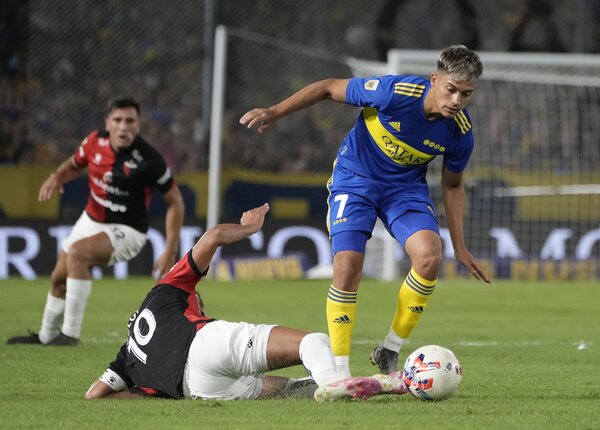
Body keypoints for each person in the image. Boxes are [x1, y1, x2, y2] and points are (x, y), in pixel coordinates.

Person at [240, 45, 491, 377]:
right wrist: (275, 111)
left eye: (466, 94)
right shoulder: (394, 93)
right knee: (347, 266)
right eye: (451, 89)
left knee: (430, 257)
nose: (457, 100)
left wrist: (459, 246)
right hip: (355, 180)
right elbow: (329, 87)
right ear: (434, 80)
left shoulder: (460, 132)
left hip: (404, 191)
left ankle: (389, 349)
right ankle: (340, 374)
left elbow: (453, 185)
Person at [84, 204, 407, 402]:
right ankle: (336, 383)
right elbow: (211, 238)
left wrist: (146, 393)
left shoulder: (126, 355)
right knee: (314, 341)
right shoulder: (167, 289)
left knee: (285, 389)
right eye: (199, 301)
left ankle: (363, 385)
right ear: (191, 297)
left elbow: (95, 395)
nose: (200, 303)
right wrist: (249, 228)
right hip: (203, 346)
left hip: (195, 389)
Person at [7, 97, 185, 346]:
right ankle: (46, 337)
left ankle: (70, 335)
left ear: (138, 124)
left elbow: (175, 202)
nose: (124, 127)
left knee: (78, 255)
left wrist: (169, 249)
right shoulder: (94, 142)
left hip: (128, 230)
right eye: (118, 120)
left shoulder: (150, 161)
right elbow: (74, 164)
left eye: (130, 121)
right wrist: (57, 176)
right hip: (90, 220)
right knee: (59, 277)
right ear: (108, 123)